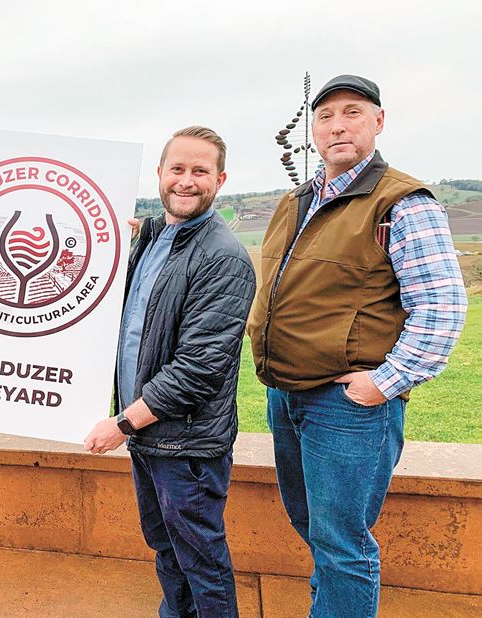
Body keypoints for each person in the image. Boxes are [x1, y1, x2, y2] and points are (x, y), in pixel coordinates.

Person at [247, 74, 467, 617]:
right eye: (325, 117)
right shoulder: (296, 200)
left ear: (378, 121)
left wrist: (383, 384)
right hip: (287, 395)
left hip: (347, 406)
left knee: (343, 545)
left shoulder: (402, 201)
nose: (337, 125)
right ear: (314, 131)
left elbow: (442, 308)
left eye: (352, 112)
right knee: (313, 527)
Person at [85, 126, 256, 618]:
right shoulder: (154, 238)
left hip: (186, 444)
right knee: (167, 550)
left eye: (199, 171)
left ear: (219, 179)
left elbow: (198, 368)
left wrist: (122, 423)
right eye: (177, 169)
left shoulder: (222, 257)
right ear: (159, 175)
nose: (186, 181)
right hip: (151, 437)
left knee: (200, 561)